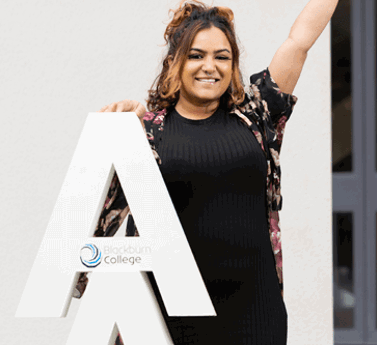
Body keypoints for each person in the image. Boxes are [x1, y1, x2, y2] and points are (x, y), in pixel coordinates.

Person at [74, 0, 339, 343]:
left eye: (222, 56)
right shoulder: (149, 132)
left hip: (254, 314)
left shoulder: (257, 116)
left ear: (233, 65)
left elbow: (299, 41)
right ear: (175, 62)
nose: (209, 67)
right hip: (166, 319)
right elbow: (99, 213)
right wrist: (126, 123)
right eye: (196, 55)